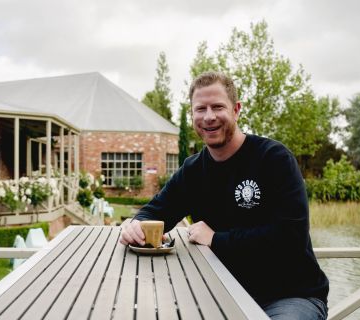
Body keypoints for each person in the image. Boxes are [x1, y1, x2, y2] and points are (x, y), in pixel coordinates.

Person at [120, 71, 329, 319]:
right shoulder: (193, 170)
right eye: (200, 109)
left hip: (290, 297)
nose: (209, 117)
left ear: (236, 110)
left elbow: (290, 237)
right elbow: (157, 210)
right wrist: (134, 224)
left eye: (218, 107)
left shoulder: (274, 159)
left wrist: (216, 239)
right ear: (192, 115)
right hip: (219, 295)